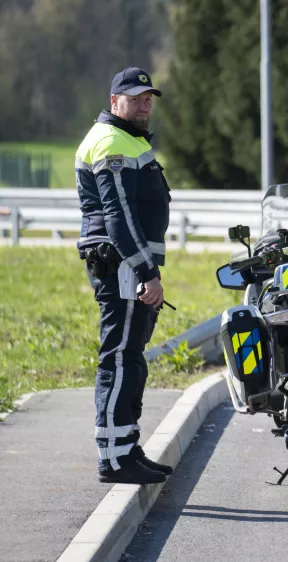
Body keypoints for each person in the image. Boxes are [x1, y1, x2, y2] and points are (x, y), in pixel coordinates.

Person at [76, 67, 173, 484]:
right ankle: (114, 459)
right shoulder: (112, 142)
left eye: (149, 97)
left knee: (131, 359)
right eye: (135, 98)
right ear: (115, 102)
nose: (144, 104)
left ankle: (127, 447)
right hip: (123, 268)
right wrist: (146, 272)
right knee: (119, 359)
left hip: (127, 268)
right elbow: (119, 218)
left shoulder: (128, 140)